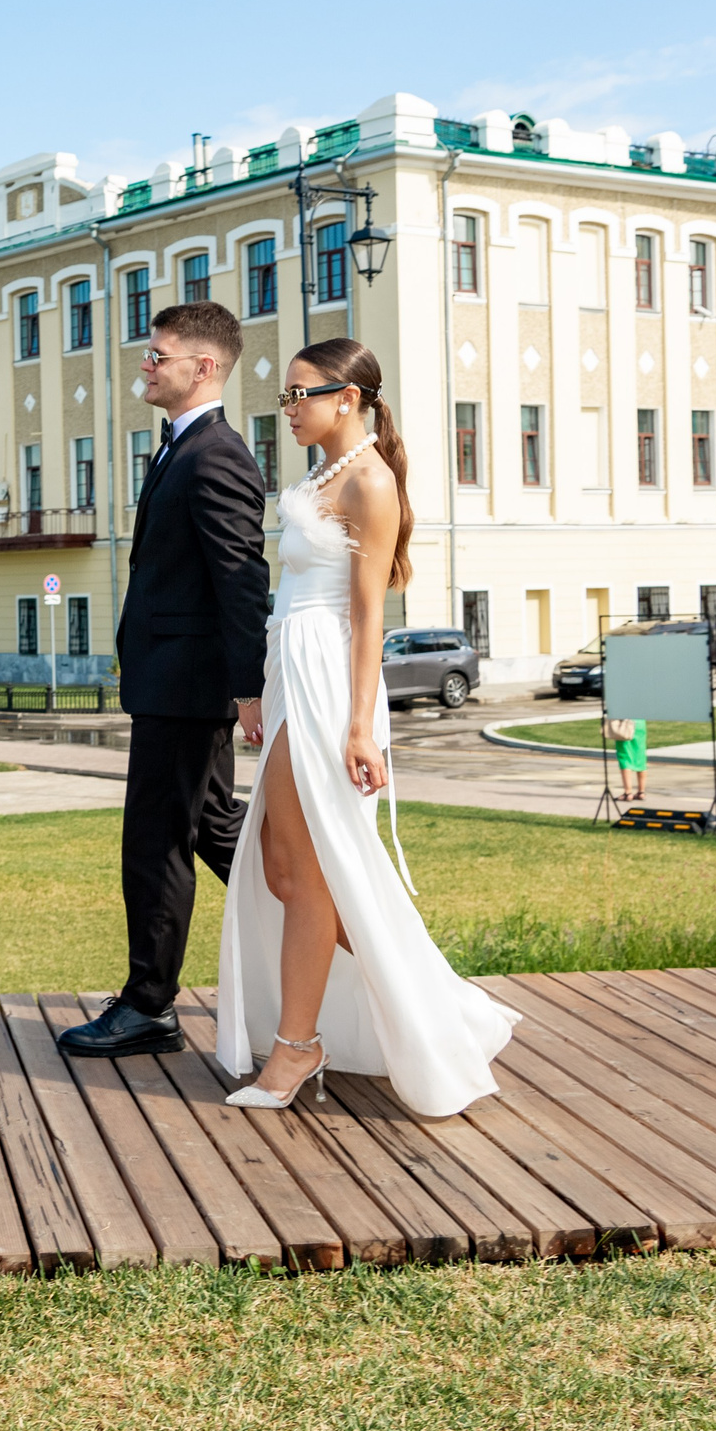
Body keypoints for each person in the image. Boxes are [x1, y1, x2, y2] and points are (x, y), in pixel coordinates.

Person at [216, 338, 518, 1116]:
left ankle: (296, 1048)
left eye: (299, 395)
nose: (288, 409)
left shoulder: (371, 484)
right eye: (285, 396)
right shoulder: (322, 474)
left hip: (328, 675)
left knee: (310, 871)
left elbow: (368, 616)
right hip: (292, 668)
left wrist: (359, 727)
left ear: (347, 397)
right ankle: (427, 999)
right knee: (287, 870)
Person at [56, 301, 271, 1059]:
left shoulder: (214, 454)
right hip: (173, 677)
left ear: (203, 367)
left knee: (155, 843)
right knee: (216, 828)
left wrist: (250, 687)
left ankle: (149, 1004)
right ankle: (321, 922)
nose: (144, 365)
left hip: (187, 685)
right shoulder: (178, 447)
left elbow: (242, 580)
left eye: (158, 355)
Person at [610, 715, 648, 801]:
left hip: (626, 724)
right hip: (640, 723)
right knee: (640, 757)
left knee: (625, 756)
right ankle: (641, 792)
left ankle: (628, 792)